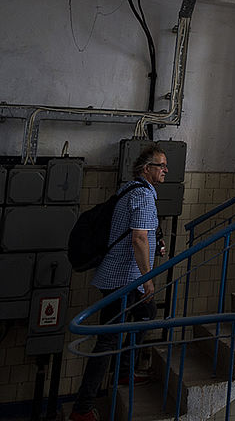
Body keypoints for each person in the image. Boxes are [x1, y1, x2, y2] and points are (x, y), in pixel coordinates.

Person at [69, 144, 166, 421]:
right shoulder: (143, 195)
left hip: (121, 277)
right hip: (124, 280)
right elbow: (139, 238)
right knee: (108, 340)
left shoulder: (130, 189)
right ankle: (82, 408)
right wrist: (148, 280)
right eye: (160, 165)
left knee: (146, 312)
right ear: (146, 168)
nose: (165, 170)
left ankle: (124, 372)